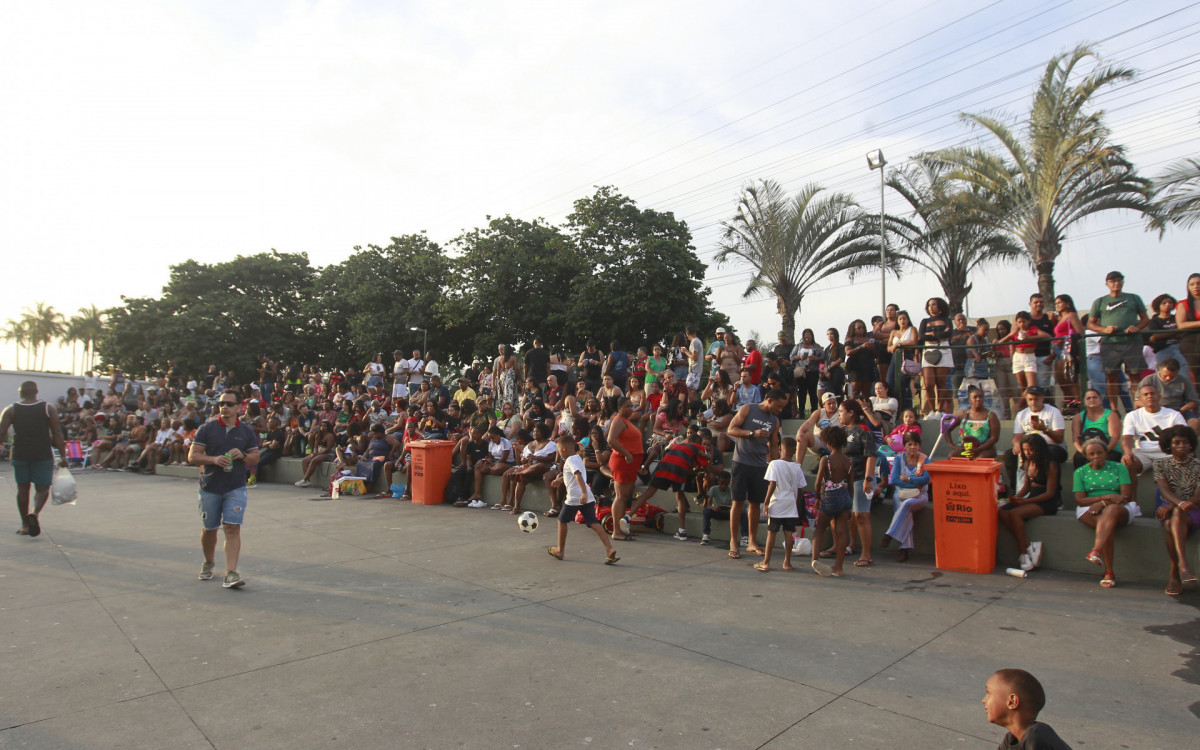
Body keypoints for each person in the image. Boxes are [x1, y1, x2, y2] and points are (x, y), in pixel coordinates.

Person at [187, 390, 259, 589]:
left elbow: (255, 457)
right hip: (210, 486)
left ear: (239, 407)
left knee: (232, 528)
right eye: (221, 404)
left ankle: (230, 572)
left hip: (235, 486)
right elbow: (193, 456)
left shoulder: (245, 431)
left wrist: (243, 455)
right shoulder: (207, 428)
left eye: (228, 404)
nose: (224, 407)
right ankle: (209, 562)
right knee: (209, 529)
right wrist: (213, 459)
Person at [0, 381, 69, 537]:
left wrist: (4, 442)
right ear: (36, 391)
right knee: (43, 488)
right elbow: (57, 433)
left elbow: (1, 432)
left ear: (20, 392)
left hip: (20, 454)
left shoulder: (11, 410)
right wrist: (63, 455)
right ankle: (35, 513)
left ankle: (25, 524)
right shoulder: (48, 408)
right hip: (42, 454)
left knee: (22, 489)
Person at [726, 388, 785, 559]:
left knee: (755, 504)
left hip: (760, 465)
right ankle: (733, 542)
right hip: (741, 462)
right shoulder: (748, 409)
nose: (780, 411)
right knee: (737, 502)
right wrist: (752, 433)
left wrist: (776, 467)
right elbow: (731, 429)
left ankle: (752, 542)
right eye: (779, 406)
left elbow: (774, 446)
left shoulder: (775, 420)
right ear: (770, 400)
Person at [1073, 438, 1137, 588]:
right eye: (1091, 454)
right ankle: (1109, 572)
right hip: (1089, 508)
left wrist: (1103, 504)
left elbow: (1125, 497)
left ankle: (1096, 551)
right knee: (1107, 523)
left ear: (1106, 453)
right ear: (1086, 456)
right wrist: (1106, 497)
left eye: (1099, 452)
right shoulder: (1080, 472)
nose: (1096, 456)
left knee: (1110, 511)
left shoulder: (1119, 468)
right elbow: (1080, 500)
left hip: (1120, 507)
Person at [546, 433, 619, 565]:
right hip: (587, 497)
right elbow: (574, 474)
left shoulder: (569, 460)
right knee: (593, 522)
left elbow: (578, 475)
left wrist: (583, 493)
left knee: (562, 521)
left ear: (563, 449)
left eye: (558, 450)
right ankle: (610, 549)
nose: (559, 453)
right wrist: (561, 480)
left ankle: (560, 550)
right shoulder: (577, 458)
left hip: (576, 497)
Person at [1087, 270, 1150, 413]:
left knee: (1134, 376)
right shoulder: (1100, 302)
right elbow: (1090, 324)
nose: (1116, 283)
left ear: (1123, 282)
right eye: (1112, 281)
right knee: (1111, 377)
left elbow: (1146, 319)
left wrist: (1137, 327)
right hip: (1110, 343)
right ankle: (1114, 410)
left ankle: (1136, 408)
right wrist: (1104, 330)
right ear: (1107, 284)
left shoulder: (1134, 298)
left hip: (1132, 342)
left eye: (1118, 280)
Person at [632, 427, 710, 541]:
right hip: (679, 470)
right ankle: (682, 530)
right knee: (680, 495)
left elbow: (666, 451)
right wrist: (708, 456)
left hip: (664, 465)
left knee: (649, 492)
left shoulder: (678, 446)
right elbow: (706, 466)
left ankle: (628, 516)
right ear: (698, 442)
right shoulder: (698, 447)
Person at [1000, 435, 1059, 572]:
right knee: (1001, 511)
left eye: (1031, 450)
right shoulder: (1027, 463)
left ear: (1040, 449)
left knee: (1015, 514)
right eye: (1025, 450)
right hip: (1031, 496)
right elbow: (1026, 486)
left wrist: (1026, 501)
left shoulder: (1050, 464)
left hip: (1046, 501)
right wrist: (1015, 498)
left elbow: (1050, 493)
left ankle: (1024, 554)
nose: (1028, 453)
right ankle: (1028, 544)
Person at [1153, 425, 1200, 596]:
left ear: (1191, 444)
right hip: (1168, 509)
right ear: (1168, 445)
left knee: (1172, 522)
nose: (1182, 445)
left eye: (1186, 442)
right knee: (1174, 517)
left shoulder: (1198, 465)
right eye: (1177, 442)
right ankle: (1182, 567)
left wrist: (1177, 505)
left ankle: (1177, 570)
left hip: (1194, 509)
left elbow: (1198, 495)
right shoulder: (1160, 464)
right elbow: (1164, 491)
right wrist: (1177, 504)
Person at [1121, 383, 1186, 496]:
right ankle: (1133, 503)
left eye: (1152, 393)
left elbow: (1185, 436)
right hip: (1143, 454)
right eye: (1145, 394)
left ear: (1159, 396)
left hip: (1168, 453)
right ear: (1140, 399)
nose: (1150, 396)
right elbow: (1127, 437)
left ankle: (1176, 502)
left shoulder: (1173, 415)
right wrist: (1127, 452)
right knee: (1126, 462)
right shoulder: (1132, 415)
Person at [982, 669, 1072, 750]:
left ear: (1012, 702)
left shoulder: (1036, 737)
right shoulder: (1010, 739)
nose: (984, 700)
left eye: (989, 693)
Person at [754, 436, 807, 572]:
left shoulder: (774, 464)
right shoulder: (797, 468)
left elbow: (772, 484)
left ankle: (766, 562)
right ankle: (787, 562)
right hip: (791, 504)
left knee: (772, 532)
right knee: (789, 533)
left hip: (777, 503)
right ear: (794, 451)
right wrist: (796, 504)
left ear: (779, 449)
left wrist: (765, 503)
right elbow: (800, 489)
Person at [1004, 386, 1067, 494]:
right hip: (1029, 448)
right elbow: (1017, 436)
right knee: (1010, 454)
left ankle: (1055, 494)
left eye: (1036, 399)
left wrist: (1045, 429)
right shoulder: (1022, 414)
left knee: (1050, 453)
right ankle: (1017, 491)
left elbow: (1059, 438)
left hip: (1053, 447)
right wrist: (1016, 444)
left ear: (1042, 398)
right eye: (1030, 399)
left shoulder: (1053, 412)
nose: (1033, 402)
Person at [881, 432, 931, 561]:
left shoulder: (925, 459)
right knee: (904, 508)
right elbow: (896, 480)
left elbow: (926, 479)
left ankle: (890, 534)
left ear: (919, 446)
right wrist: (914, 482)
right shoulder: (899, 459)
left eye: (915, 444)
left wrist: (908, 480)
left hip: (920, 495)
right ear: (904, 446)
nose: (913, 447)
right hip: (901, 493)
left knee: (907, 504)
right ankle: (905, 548)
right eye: (909, 444)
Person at [810, 425, 853, 578]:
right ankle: (839, 566)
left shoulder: (826, 459)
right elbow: (851, 485)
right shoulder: (848, 461)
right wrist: (850, 506)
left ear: (828, 443)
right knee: (841, 532)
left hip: (830, 496)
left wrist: (817, 498)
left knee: (820, 528)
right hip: (845, 497)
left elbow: (818, 483)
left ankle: (815, 560)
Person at [607, 398, 644, 542]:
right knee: (620, 496)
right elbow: (611, 439)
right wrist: (627, 454)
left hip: (630, 463)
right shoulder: (618, 420)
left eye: (631, 406)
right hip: (623, 462)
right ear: (620, 407)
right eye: (627, 406)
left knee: (624, 497)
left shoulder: (626, 421)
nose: (630, 409)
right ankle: (616, 531)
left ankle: (621, 529)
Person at [1138, 358, 1199, 430]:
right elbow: (1137, 401)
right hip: (1156, 410)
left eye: (1172, 376)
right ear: (1160, 368)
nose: (1168, 378)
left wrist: (1182, 410)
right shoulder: (1148, 380)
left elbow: (1193, 401)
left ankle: (1187, 439)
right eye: (1165, 375)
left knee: (1195, 423)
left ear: (1177, 371)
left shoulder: (1184, 380)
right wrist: (1154, 408)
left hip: (1178, 410)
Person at [918, 297, 953, 418]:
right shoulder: (924, 321)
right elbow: (921, 336)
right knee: (928, 383)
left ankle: (940, 409)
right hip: (929, 351)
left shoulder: (947, 320)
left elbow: (948, 333)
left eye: (934, 304)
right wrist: (938, 335)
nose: (931, 307)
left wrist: (932, 334)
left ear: (940, 306)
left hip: (943, 350)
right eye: (929, 305)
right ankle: (932, 410)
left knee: (941, 382)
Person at [1070, 388, 1122, 469]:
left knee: (1109, 459)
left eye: (1095, 397)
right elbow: (1075, 438)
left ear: (1101, 400)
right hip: (1087, 451)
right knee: (1078, 458)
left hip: (1109, 450)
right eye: (1088, 398)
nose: (1092, 400)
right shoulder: (1078, 417)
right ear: (1084, 402)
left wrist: (1102, 454)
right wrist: (1083, 452)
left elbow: (1115, 437)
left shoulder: (1111, 415)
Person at [946, 386, 1002, 460]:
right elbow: (946, 429)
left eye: (981, 397)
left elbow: (994, 438)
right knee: (952, 456)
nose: (978, 399)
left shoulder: (991, 415)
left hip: (985, 449)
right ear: (970, 400)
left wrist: (978, 449)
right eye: (975, 397)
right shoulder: (964, 414)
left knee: (980, 459)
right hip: (965, 449)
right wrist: (952, 445)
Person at [699, 470, 746, 546]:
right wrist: (712, 508)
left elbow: (734, 504)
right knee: (706, 511)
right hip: (717, 511)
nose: (724, 486)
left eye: (726, 484)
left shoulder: (731, 490)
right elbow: (708, 504)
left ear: (729, 483)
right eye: (722, 484)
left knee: (743, 512)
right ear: (718, 482)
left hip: (729, 513)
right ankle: (706, 535)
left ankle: (745, 537)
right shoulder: (713, 489)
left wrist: (731, 509)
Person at [1175, 272, 1200, 374]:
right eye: (1192, 284)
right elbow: (1181, 325)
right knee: (1196, 373)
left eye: (1198, 283)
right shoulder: (1183, 304)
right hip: (1191, 343)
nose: (1195, 286)